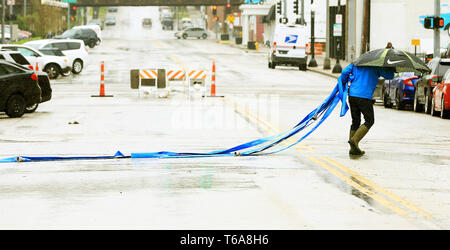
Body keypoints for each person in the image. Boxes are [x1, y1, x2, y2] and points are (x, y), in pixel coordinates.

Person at [338, 63, 395, 156]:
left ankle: (353, 149)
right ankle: (355, 140)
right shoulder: (375, 66)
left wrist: (344, 81)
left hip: (352, 94)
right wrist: (391, 67)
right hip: (364, 96)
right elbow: (389, 75)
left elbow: (344, 72)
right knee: (369, 120)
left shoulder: (356, 63)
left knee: (355, 121)